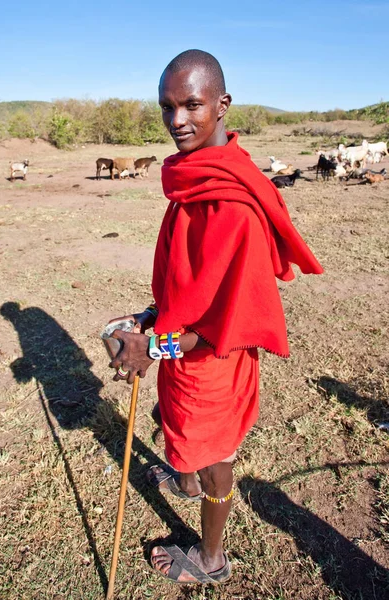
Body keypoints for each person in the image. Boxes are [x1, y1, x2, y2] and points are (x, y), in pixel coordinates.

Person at [108, 49, 323, 585]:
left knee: (215, 457)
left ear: (223, 105)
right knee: (182, 432)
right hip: (183, 352)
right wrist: (152, 315)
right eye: (167, 107)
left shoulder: (235, 204)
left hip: (213, 362)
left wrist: (153, 348)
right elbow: (192, 284)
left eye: (192, 105)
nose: (176, 121)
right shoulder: (195, 178)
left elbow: (224, 323)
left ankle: (211, 559)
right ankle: (183, 480)